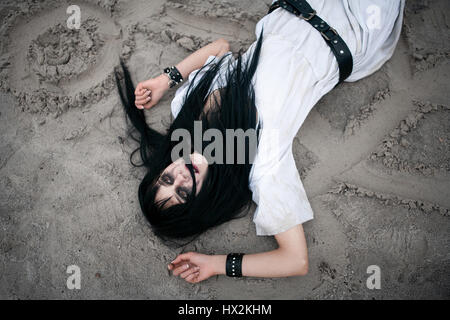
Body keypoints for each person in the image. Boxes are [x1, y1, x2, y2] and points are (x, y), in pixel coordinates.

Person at [115, 0, 405, 284]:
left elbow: (219, 49)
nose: (179, 177)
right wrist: (217, 264)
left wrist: (166, 79)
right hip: (355, 24)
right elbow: (295, 260)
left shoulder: (186, 111)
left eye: (166, 178)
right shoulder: (260, 167)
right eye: (183, 193)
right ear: (202, 203)